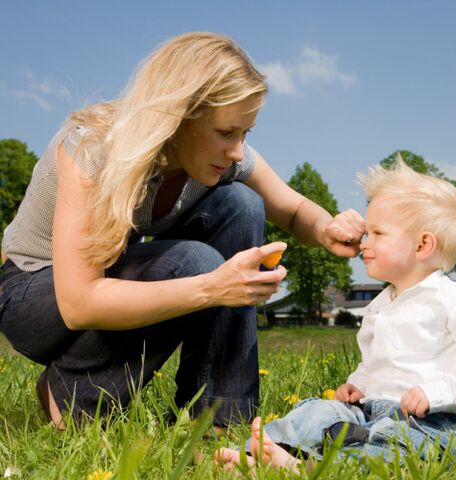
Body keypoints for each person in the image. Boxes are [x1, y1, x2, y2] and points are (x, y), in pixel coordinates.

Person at [0, 32, 363, 429]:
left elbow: (293, 209)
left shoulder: (221, 159)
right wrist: (213, 286)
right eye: (226, 133)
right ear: (180, 117)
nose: (238, 150)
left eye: (245, 134)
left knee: (240, 204)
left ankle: (217, 417)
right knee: (196, 262)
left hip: (105, 277)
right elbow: (78, 302)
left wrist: (327, 228)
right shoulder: (93, 149)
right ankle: (72, 396)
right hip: (30, 294)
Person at [216, 157, 456, 473]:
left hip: (439, 422)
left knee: (394, 443)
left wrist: (433, 393)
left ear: (423, 244)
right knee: (318, 413)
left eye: (377, 234)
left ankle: (309, 468)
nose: (364, 243)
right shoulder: (382, 304)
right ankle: (256, 452)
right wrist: (358, 384)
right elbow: (374, 363)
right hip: (369, 411)